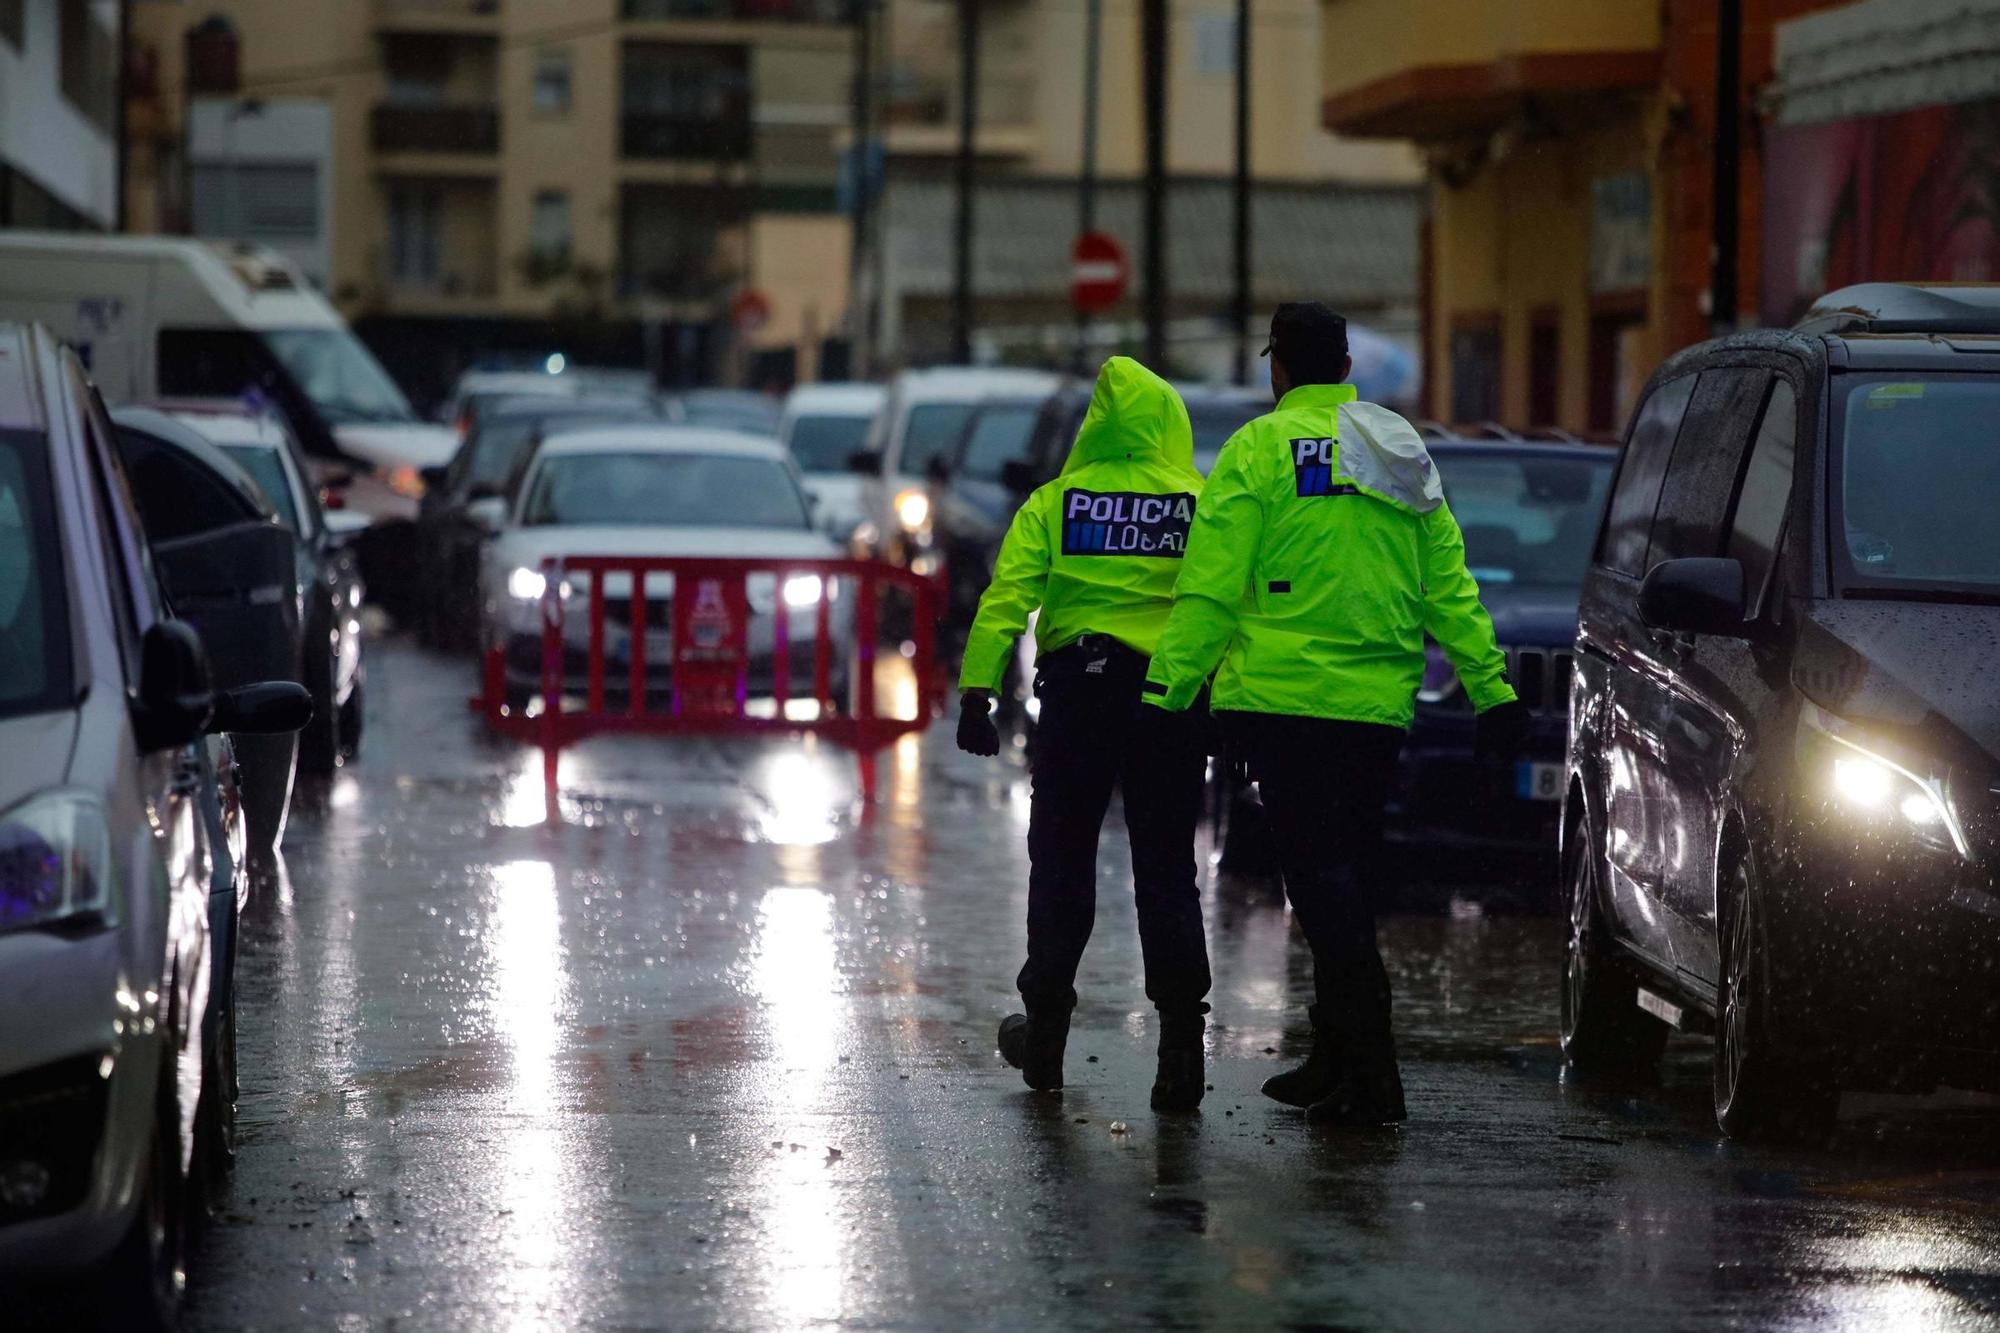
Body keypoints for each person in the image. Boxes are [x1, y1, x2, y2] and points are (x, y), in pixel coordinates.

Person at [1142, 303, 1527, 1125]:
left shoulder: (1258, 450)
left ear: (1276, 367)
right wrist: (1490, 688)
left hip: (1284, 706)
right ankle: (1334, 1055)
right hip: (1377, 709)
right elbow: (1445, 580)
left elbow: (1210, 588)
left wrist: (1166, 692)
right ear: (1346, 366)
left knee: (1319, 887)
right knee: (1345, 879)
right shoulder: (1394, 443)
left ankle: (1375, 1070)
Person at [956, 355, 1213, 1112]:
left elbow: (1006, 599)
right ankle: (1179, 1052)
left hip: (1078, 698)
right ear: (1170, 422)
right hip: (1169, 699)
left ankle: (1044, 1035)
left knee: (1061, 860)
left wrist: (978, 692)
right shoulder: (1199, 502)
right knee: (1166, 867)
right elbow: (1221, 605)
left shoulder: (1057, 502)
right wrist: (1228, 703)